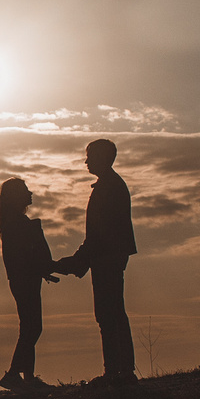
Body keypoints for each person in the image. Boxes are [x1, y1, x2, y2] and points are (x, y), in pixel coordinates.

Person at [55, 138, 137, 384]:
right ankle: (119, 369)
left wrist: (78, 261)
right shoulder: (110, 185)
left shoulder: (109, 188)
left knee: (108, 313)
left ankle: (117, 371)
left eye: (89, 156)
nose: (86, 161)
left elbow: (99, 234)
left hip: (107, 257)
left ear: (102, 158)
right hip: (108, 255)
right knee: (111, 312)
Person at [0, 176, 60, 389]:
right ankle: (13, 374)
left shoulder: (13, 222)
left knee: (29, 326)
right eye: (26, 190)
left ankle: (28, 378)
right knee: (33, 327)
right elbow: (26, 254)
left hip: (24, 278)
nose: (30, 193)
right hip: (24, 279)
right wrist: (43, 268)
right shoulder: (17, 223)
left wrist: (43, 270)